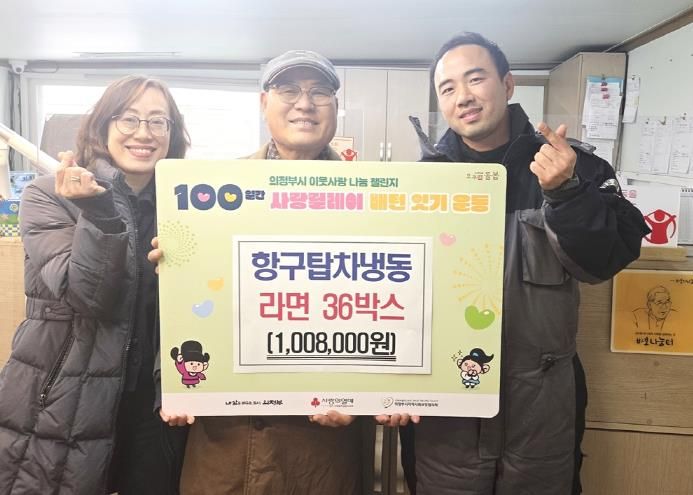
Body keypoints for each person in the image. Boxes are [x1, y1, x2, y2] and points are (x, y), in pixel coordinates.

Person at [404, 32, 649, 495]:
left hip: (541, 409)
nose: (463, 96)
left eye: (476, 79)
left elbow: (604, 261)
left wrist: (566, 193)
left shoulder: (571, 166)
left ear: (508, 84)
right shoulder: (419, 184)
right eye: (448, 88)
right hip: (447, 412)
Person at [150, 50, 368, 495]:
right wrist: (170, 382)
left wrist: (365, 401)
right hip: (228, 438)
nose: (304, 103)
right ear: (264, 102)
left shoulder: (374, 197)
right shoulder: (211, 192)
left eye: (319, 92)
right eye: (289, 90)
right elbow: (184, 308)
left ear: (335, 106)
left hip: (324, 445)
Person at [0, 75, 191, 494]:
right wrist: (99, 211)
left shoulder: (186, 208)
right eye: (129, 119)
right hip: (65, 398)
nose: (144, 133)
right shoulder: (49, 196)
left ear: (172, 134)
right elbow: (87, 296)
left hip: (153, 409)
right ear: (103, 125)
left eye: (158, 121)